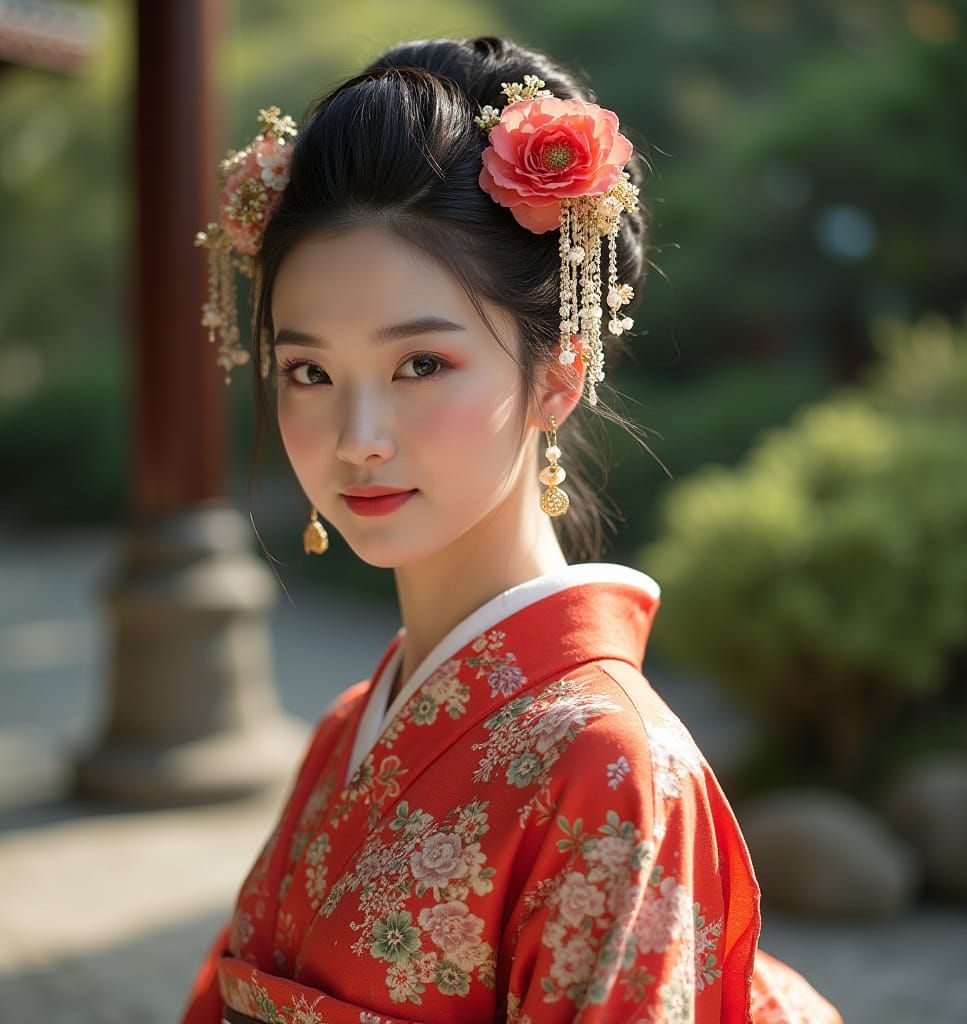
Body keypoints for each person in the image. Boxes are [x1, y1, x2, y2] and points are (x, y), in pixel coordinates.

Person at [183, 35, 844, 1024]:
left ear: (558, 375)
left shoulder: (610, 767)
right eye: (309, 372)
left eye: (420, 366)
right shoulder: (351, 724)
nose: (357, 440)